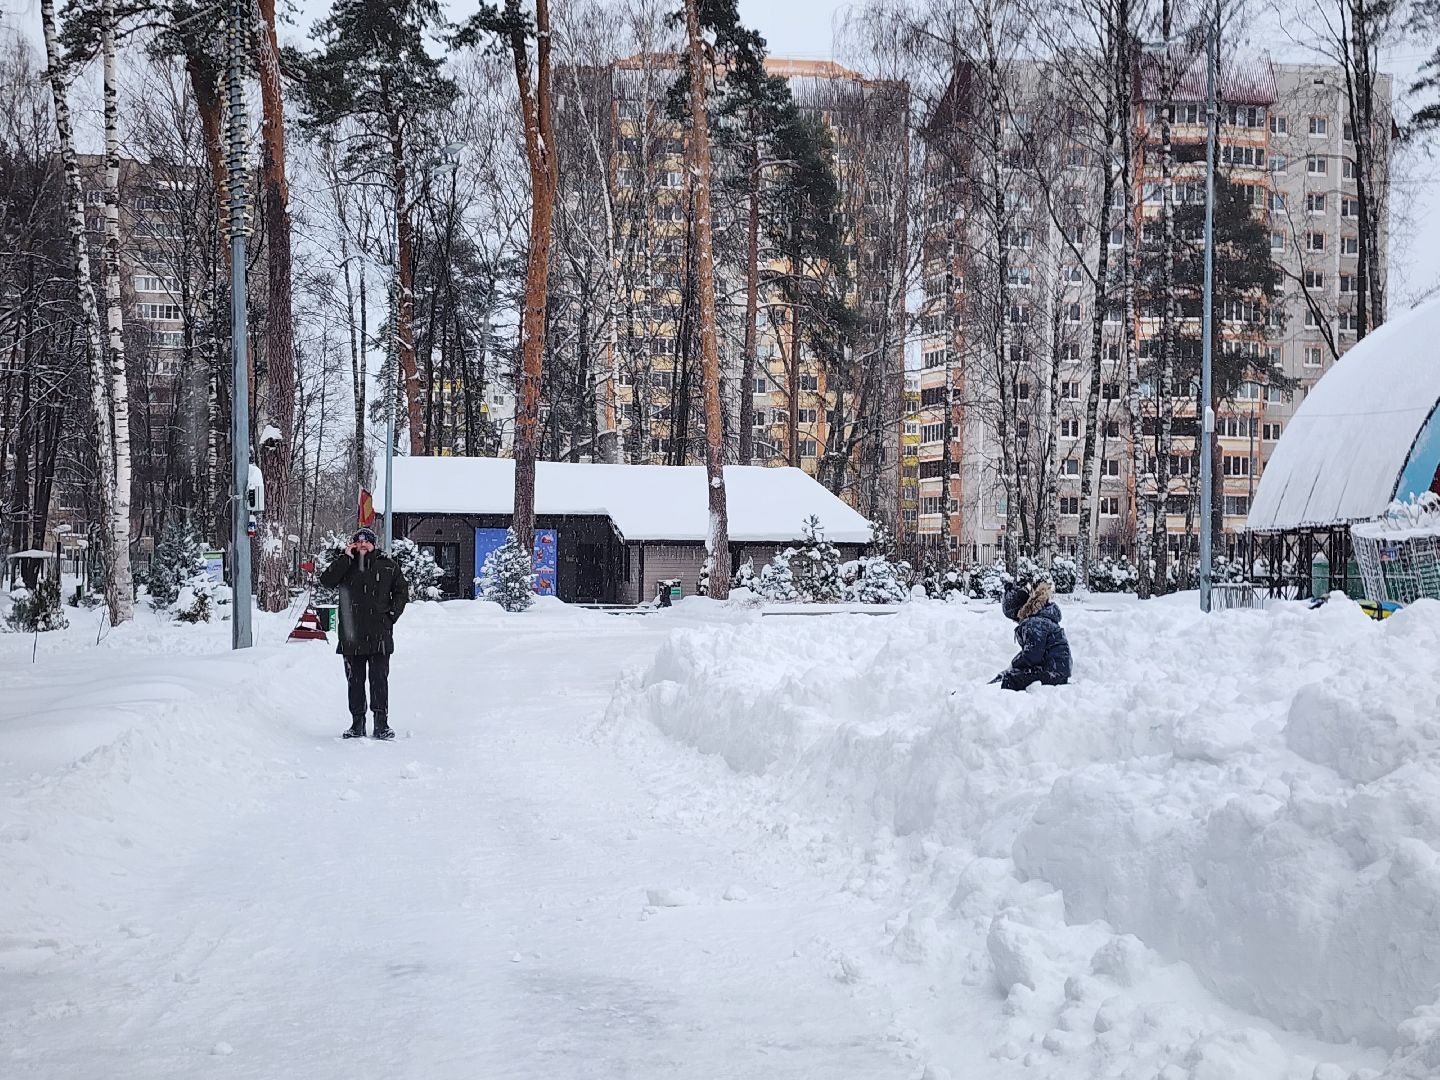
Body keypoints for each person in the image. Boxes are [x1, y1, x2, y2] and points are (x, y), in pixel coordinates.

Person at [319, 528, 409, 739]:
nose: (362, 545)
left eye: (366, 542)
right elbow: (327, 581)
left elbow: (401, 591)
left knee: (379, 681)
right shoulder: (345, 565)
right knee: (355, 682)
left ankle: (381, 724)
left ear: (373, 544)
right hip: (351, 636)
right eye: (358, 542)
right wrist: (345, 558)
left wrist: (390, 616)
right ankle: (357, 724)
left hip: (379, 635)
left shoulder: (387, 566)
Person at [992, 578, 1072, 691]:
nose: (1015, 622)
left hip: (1053, 673)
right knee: (1016, 674)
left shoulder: (1033, 623)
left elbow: (1032, 656)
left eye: (1013, 618)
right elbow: (1033, 650)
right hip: (1056, 670)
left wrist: (1013, 666)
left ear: (1018, 612)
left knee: (1010, 681)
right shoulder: (1037, 619)